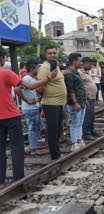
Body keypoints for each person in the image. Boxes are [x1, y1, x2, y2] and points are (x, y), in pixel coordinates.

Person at [0, 45, 57, 188]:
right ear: (2, 59)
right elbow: (30, 86)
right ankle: (18, 178)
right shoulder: (6, 73)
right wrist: (49, 77)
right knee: (17, 147)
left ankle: (0, 180)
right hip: (11, 115)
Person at [37, 45, 67, 160]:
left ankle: (56, 152)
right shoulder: (45, 67)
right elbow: (39, 85)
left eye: (54, 53)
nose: (53, 55)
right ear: (46, 55)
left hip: (58, 103)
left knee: (58, 128)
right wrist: (42, 94)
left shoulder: (55, 66)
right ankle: (55, 155)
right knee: (53, 129)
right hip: (50, 103)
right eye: (50, 53)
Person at [15, 58, 47, 155]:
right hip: (30, 108)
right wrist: (26, 99)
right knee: (33, 128)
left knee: (39, 127)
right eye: (38, 68)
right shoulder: (26, 79)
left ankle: (33, 146)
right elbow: (17, 89)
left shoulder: (32, 79)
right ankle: (33, 149)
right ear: (34, 68)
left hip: (34, 107)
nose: (38, 70)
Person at [64, 53, 86, 151]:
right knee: (75, 122)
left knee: (80, 122)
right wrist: (75, 102)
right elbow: (70, 90)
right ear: (74, 61)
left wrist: (85, 100)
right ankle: (74, 143)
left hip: (81, 101)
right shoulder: (69, 74)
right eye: (80, 61)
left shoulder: (77, 72)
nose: (81, 63)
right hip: (75, 103)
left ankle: (79, 140)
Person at [80, 57, 98, 140]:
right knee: (87, 115)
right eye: (90, 64)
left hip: (91, 97)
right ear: (85, 63)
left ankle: (91, 130)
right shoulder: (80, 73)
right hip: (87, 98)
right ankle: (86, 133)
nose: (91, 66)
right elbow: (80, 87)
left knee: (91, 115)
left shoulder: (86, 73)